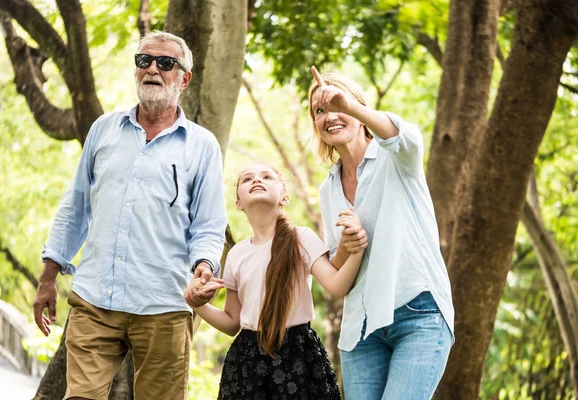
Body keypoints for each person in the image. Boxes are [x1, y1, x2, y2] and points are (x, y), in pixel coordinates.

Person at [32, 31, 227, 400]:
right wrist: (48, 276)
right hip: (94, 299)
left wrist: (204, 265)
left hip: (164, 302)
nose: (152, 69)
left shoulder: (202, 145)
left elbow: (209, 225)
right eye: (144, 61)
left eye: (165, 63)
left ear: (183, 78)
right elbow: (76, 206)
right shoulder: (104, 129)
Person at [308, 66, 455, 399]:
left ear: (359, 112)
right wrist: (348, 245)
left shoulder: (397, 159)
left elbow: (406, 136)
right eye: (319, 110)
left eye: (337, 105)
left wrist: (349, 105)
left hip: (418, 313)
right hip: (361, 330)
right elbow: (337, 267)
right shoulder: (327, 189)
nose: (330, 114)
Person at [185, 163, 367, 400]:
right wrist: (196, 303)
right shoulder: (237, 254)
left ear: (284, 197)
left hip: (298, 357)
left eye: (267, 177)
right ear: (238, 203)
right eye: (247, 179)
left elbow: (336, 285)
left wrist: (357, 249)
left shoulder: (301, 238)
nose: (257, 180)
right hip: (247, 363)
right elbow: (232, 323)